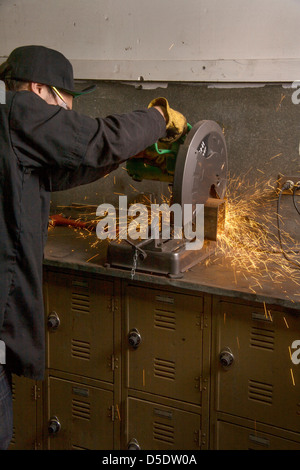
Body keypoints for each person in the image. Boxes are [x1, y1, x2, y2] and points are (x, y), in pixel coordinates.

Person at [0, 45, 187, 450]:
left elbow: (51, 174)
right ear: (38, 89)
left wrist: (121, 156)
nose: (67, 112)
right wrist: (157, 118)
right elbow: (96, 138)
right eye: (65, 101)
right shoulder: (18, 109)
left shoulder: (9, 125)